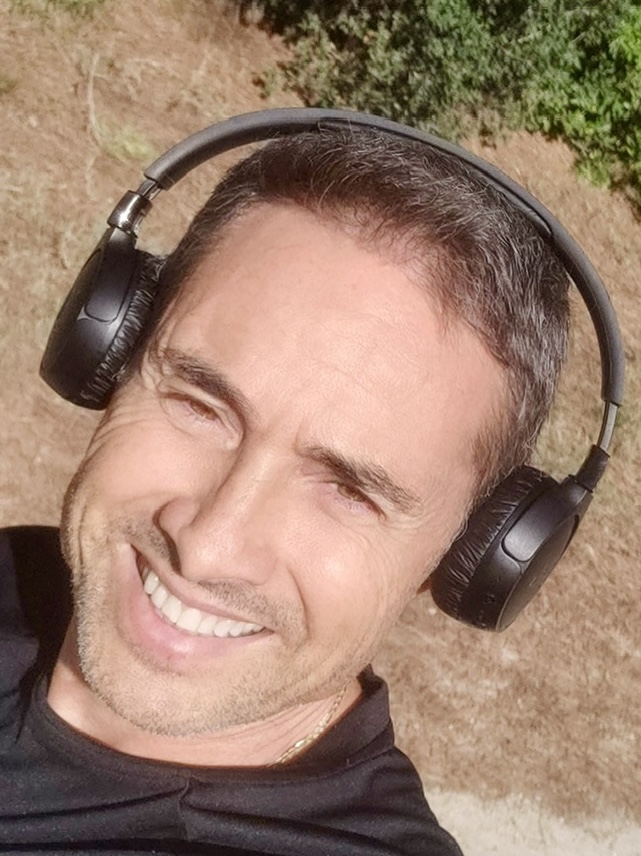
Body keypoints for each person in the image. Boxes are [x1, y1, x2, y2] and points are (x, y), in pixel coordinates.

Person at [0, 118, 571, 855]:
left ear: (468, 556)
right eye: (201, 406)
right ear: (111, 355)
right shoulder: (20, 573)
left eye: (349, 490)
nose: (208, 545)